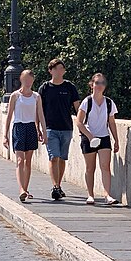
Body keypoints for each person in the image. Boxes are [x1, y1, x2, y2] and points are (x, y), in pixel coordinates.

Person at [38, 58, 81, 200]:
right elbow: (38, 109)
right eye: (56, 68)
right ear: (50, 71)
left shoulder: (69, 87)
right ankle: (55, 186)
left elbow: (77, 107)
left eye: (61, 69)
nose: (59, 71)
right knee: (53, 157)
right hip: (50, 128)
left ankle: (59, 185)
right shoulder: (45, 88)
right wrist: (38, 127)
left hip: (66, 127)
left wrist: (83, 123)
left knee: (62, 158)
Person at [76, 73, 120, 205]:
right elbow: (79, 122)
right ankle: (90, 195)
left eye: (102, 83)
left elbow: (111, 122)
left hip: (104, 137)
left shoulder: (109, 102)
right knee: (90, 168)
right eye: (97, 83)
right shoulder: (87, 102)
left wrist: (116, 140)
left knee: (105, 166)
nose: (99, 86)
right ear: (92, 85)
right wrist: (89, 136)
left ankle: (107, 195)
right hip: (89, 137)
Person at [3, 69, 47, 202]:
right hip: (19, 126)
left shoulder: (36, 97)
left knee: (28, 162)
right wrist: (5, 135)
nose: (28, 82)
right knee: (20, 160)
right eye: (25, 79)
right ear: (21, 80)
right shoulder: (15, 96)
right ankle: (21, 189)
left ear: (33, 81)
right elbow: (9, 115)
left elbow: (40, 115)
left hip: (31, 128)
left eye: (30, 79)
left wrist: (44, 132)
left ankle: (26, 190)